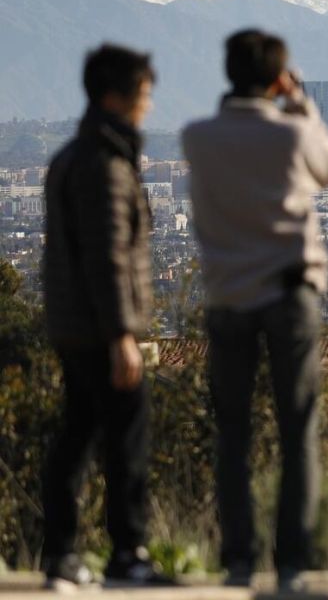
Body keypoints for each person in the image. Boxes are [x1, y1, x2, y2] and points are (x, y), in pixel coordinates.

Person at [182, 29, 328, 592]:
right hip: (289, 293)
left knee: (232, 432)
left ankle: (239, 561)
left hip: (228, 298)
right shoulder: (293, 133)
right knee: (298, 429)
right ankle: (293, 564)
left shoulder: (196, 137)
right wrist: (302, 105)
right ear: (279, 78)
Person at [42, 45, 172, 589]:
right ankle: (126, 551)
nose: (148, 106)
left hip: (74, 322)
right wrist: (122, 333)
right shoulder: (105, 164)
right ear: (117, 96)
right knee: (124, 438)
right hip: (101, 327)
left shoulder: (75, 155)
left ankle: (62, 554)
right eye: (143, 94)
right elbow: (108, 255)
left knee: (78, 432)